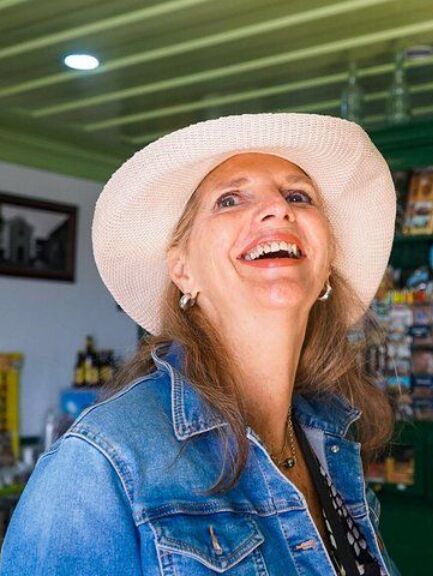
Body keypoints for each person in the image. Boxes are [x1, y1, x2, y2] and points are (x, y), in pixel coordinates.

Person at [0, 113, 400, 575]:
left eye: (297, 196)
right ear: (182, 271)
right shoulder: (103, 461)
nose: (278, 209)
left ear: (327, 264)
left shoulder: (329, 440)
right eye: (230, 200)